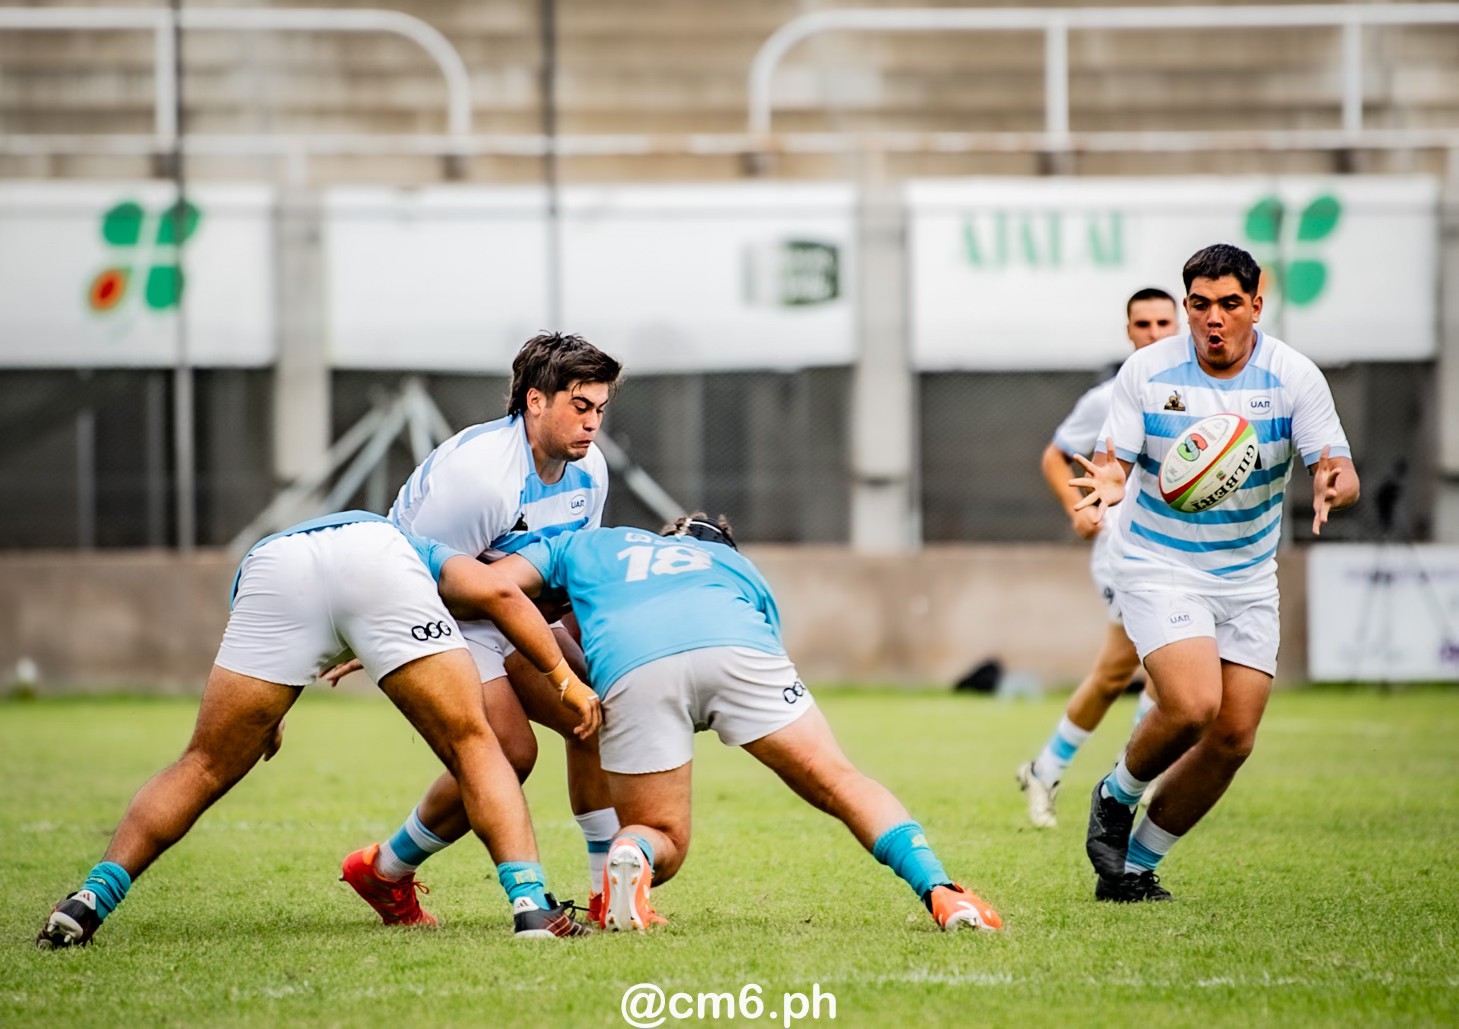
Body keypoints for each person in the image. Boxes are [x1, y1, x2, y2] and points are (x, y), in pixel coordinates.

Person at [36, 511, 600, 949]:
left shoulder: (277, 550)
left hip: (270, 571)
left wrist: (271, 714)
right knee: (473, 743)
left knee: (203, 764)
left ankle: (88, 900)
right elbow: (500, 593)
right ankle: (533, 907)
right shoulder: (406, 541)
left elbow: (288, 643)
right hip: (377, 563)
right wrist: (564, 680)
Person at [490, 515, 1004, 934]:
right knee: (840, 781)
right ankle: (942, 891)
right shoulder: (737, 566)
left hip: (634, 665)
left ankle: (634, 850)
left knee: (661, 833)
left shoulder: (595, 543)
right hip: (737, 647)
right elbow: (762, 639)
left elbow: (497, 583)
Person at [1070, 243, 1359, 902]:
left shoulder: (1292, 376)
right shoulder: (1147, 370)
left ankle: (1132, 869)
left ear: (1257, 304)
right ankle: (1115, 796)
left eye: (1230, 303)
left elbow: (1334, 466)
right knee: (1194, 705)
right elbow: (1111, 458)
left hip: (1248, 576)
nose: (1213, 318)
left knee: (1232, 736)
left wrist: (1332, 485)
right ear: (1185, 308)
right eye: (1198, 305)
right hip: (1157, 561)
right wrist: (1110, 480)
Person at [336, 332, 625, 928]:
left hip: (510, 612)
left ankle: (609, 900)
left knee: (594, 715)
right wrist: (366, 639)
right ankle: (387, 870)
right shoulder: (481, 478)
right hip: (444, 615)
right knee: (510, 755)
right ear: (535, 402)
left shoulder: (588, 469)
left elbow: (567, 571)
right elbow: (422, 581)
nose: (593, 423)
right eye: (580, 406)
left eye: (600, 408)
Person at [1017, 288, 1178, 828]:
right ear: (1129, 332)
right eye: (1143, 324)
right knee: (1131, 669)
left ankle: (1063, 771)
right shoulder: (1107, 397)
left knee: (1152, 675)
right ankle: (1109, 779)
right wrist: (1078, 509)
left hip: (1176, 548)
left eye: (1163, 322)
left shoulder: (1196, 395)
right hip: (1121, 550)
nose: (1154, 333)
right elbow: (1054, 454)